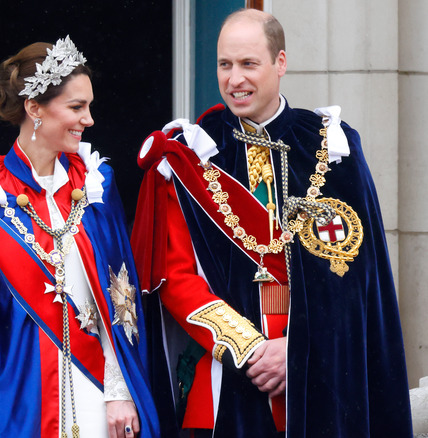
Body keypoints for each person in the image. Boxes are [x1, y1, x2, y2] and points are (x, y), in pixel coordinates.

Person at [131, 9, 412, 438]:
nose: (234, 79)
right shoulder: (189, 154)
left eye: (248, 64)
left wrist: (297, 348)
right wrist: (250, 350)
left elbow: (358, 278)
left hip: (324, 377)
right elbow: (175, 276)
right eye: (225, 64)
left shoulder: (332, 146)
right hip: (231, 380)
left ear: (280, 63)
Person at [0, 36, 171, 438]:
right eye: (76, 107)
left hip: (96, 390)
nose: (89, 119)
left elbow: (123, 298)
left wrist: (120, 392)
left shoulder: (96, 183)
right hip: (17, 393)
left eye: (89, 106)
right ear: (34, 109)